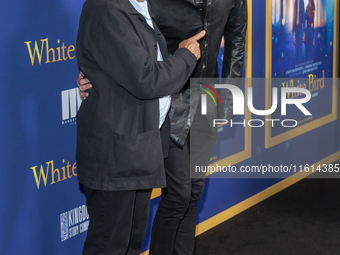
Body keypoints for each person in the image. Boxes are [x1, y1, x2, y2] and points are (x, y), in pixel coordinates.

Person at [78, 0, 247, 254]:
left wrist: (228, 96)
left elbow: (237, 37)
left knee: (193, 193)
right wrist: (96, 72)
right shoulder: (114, 6)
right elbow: (129, 54)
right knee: (178, 194)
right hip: (163, 103)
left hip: (204, 99)